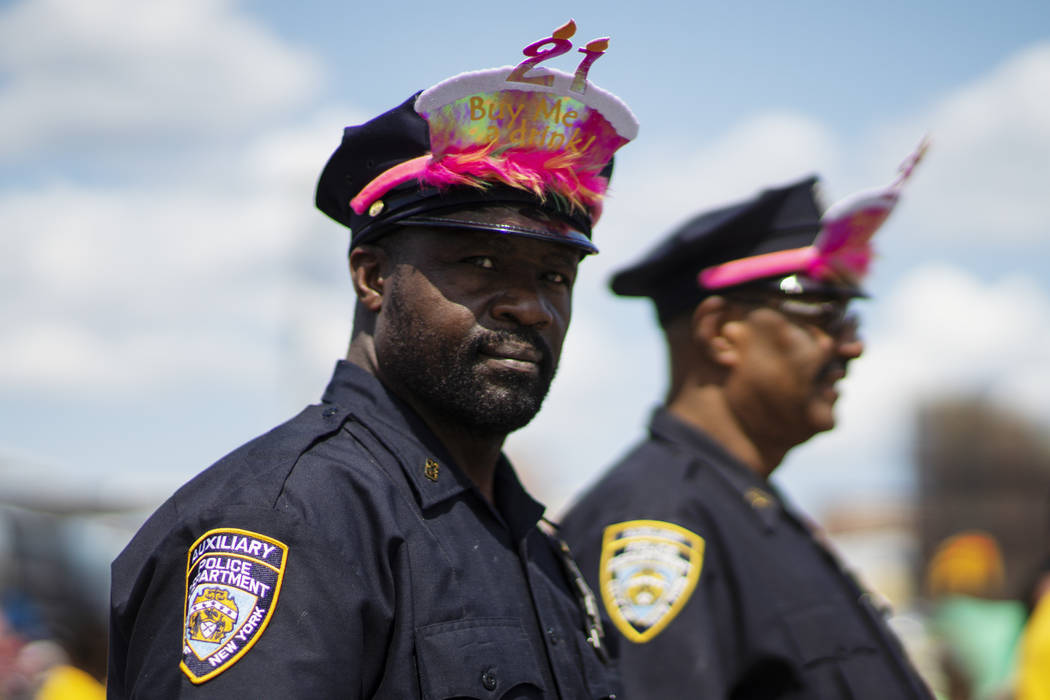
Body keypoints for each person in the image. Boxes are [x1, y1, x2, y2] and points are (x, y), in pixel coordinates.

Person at [108, 21, 637, 698]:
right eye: (480, 262)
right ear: (373, 276)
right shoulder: (290, 517)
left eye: (555, 276)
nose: (530, 307)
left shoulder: (531, 542)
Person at [561, 147, 934, 698]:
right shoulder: (658, 520)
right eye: (824, 314)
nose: (853, 344)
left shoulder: (749, 507)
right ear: (721, 332)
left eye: (850, 316)